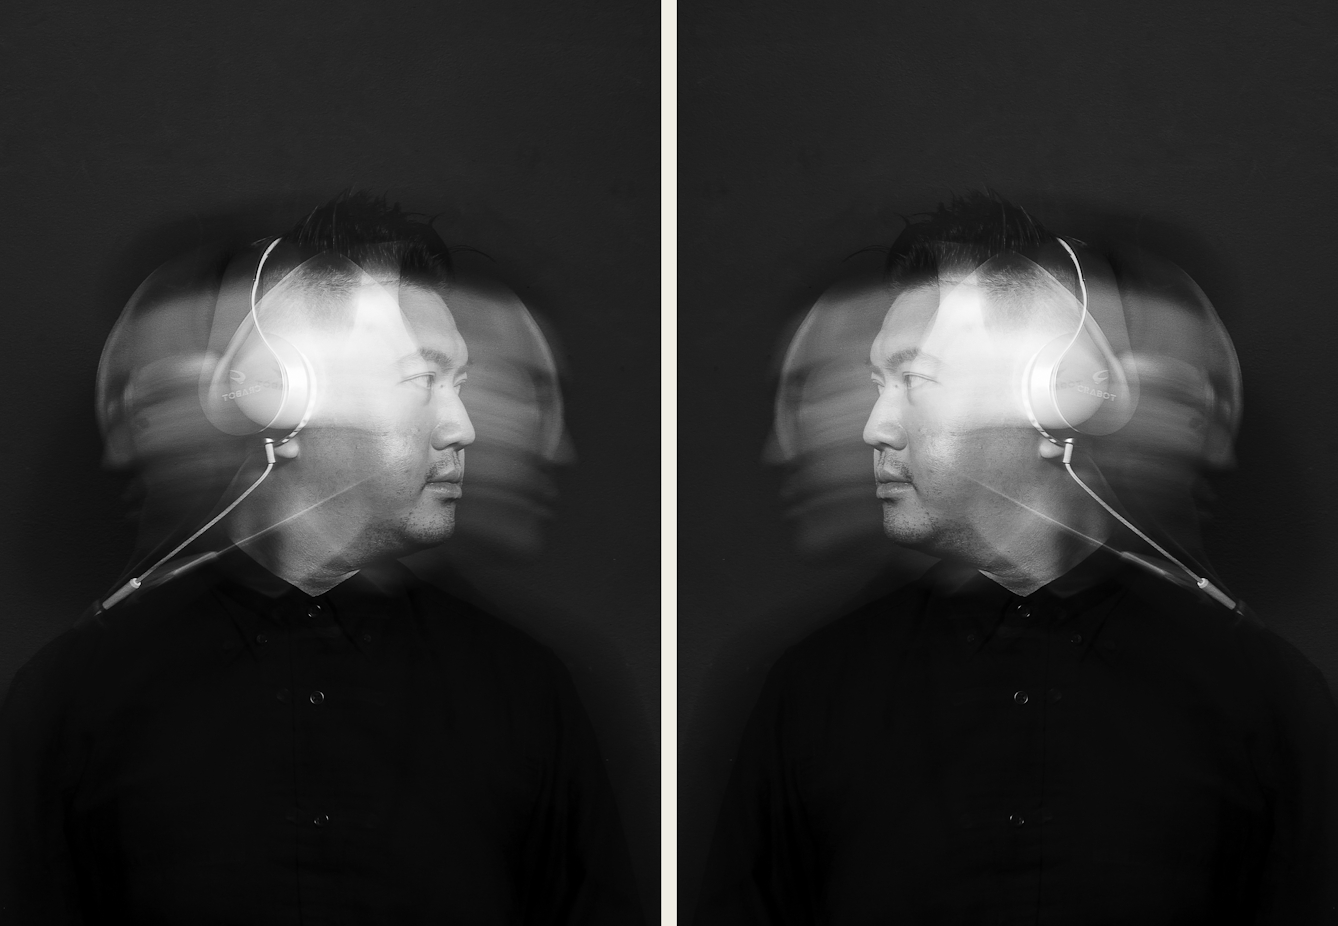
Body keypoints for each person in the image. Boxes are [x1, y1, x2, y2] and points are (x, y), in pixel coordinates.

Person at [0, 193, 642, 924]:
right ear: (287, 399)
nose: (461, 427)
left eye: (458, 384)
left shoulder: (529, 694)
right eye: (420, 381)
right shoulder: (76, 698)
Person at [696, 193, 1338, 924]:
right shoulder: (807, 695)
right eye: (879, 384)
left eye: (917, 381)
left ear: (1050, 399)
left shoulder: (1261, 698)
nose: (876, 427)